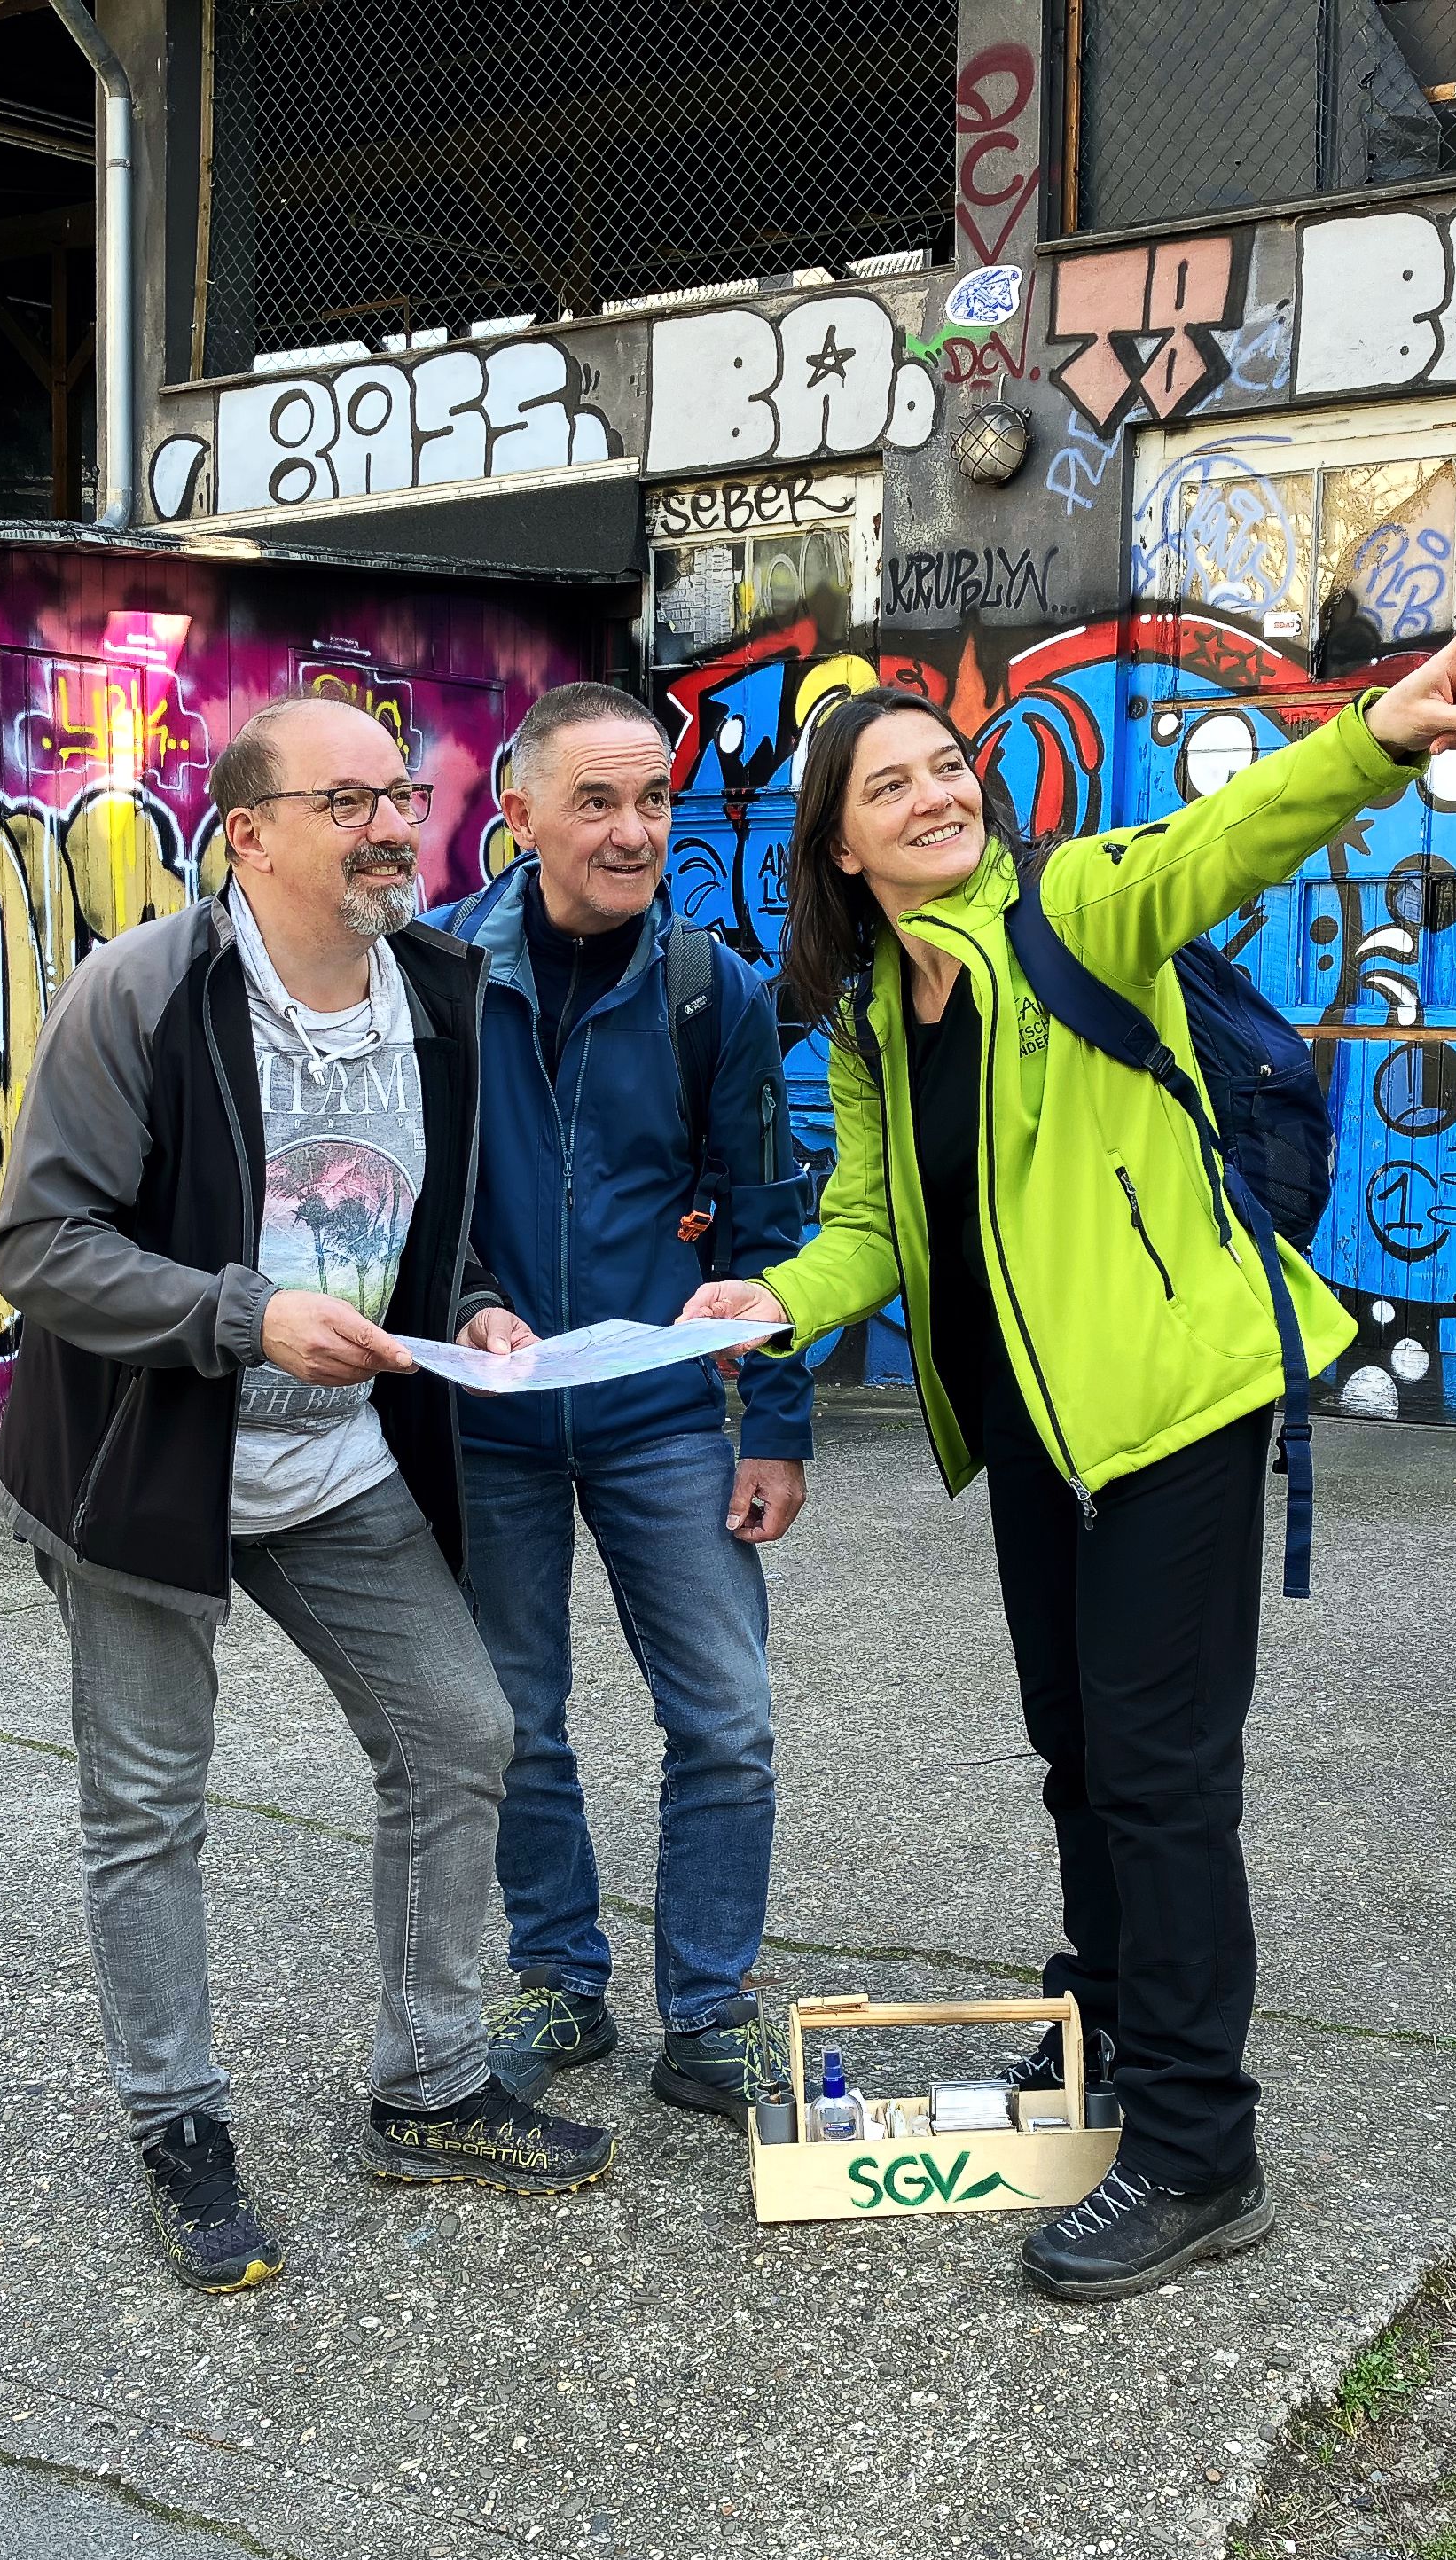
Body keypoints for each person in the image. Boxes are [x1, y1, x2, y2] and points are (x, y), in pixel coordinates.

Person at [681, 588, 1456, 2301]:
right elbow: (870, 1227)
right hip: (1033, 1437)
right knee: (1078, 1761)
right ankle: (1119, 2037)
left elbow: (1226, 839)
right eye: (891, 786)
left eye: (948, 767)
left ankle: (1205, 2153)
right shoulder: (862, 1022)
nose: (937, 794)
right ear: (839, 851)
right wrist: (762, 1302)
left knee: (1161, 1784)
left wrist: (1371, 740)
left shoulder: (1076, 911)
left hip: (1170, 1413)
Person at [0, 691, 615, 2298]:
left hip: (340, 1466)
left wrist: (467, 1300)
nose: (394, 826)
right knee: (148, 1804)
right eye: (348, 803)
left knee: (460, 1732)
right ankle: (178, 2125)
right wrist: (241, 1313)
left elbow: (425, 1217)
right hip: (151, 1467)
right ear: (247, 831)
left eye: (403, 795)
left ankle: (430, 2082)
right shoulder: (143, 994)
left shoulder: (441, 993)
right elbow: (39, 1248)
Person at [442, 683, 817, 2118]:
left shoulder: (711, 990)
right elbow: (413, 1202)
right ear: (519, 813)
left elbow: (767, 1233)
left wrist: (774, 1425)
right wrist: (466, 1299)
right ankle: (560, 1979)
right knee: (512, 1719)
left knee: (726, 1718)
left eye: (651, 798)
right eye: (595, 800)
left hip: (663, 1416)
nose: (631, 827)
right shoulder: (436, 983)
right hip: (492, 1416)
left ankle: (708, 2015)